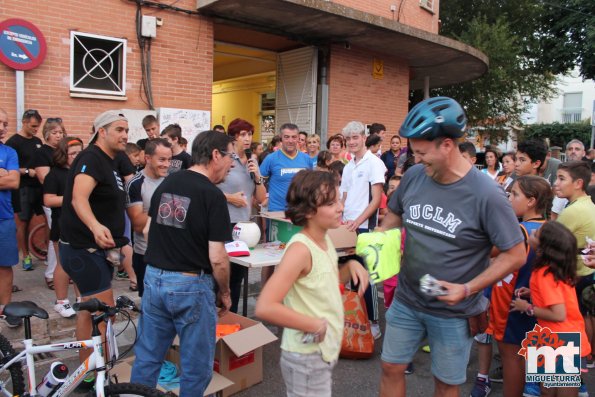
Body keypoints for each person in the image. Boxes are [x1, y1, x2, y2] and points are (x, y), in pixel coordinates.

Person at [378, 97, 526, 397]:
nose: (417, 160)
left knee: (446, 384)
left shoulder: (487, 194)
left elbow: (516, 254)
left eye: (421, 152)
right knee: (391, 367)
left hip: (453, 311)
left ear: (447, 145)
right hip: (407, 299)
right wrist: (376, 247)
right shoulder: (415, 176)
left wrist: (468, 288)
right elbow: (393, 215)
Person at [131, 131, 235, 397]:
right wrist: (224, 291)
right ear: (215, 155)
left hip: (155, 279)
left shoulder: (168, 183)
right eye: (230, 155)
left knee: (148, 357)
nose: (232, 163)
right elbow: (218, 258)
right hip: (191, 284)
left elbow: (147, 231)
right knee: (196, 366)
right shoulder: (212, 196)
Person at [255, 170, 368, 397]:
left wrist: (350, 267)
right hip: (306, 356)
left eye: (338, 199)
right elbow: (265, 306)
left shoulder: (324, 238)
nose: (340, 207)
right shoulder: (299, 250)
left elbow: (324, 280)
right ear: (307, 211)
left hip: (321, 352)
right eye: (330, 203)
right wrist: (313, 324)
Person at [59, 111, 129, 375]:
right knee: (104, 312)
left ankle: (88, 371)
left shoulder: (111, 160)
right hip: (83, 250)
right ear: (102, 131)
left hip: (91, 251)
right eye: (119, 129)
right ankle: (100, 372)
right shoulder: (91, 157)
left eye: (126, 130)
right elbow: (79, 198)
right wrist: (95, 225)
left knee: (88, 310)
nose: (125, 135)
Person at [486, 176, 551, 397]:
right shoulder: (552, 228)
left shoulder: (519, 231)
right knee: (536, 357)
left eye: (514, 194)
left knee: (512, 358)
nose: (509, 198)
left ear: (531, 201)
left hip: (512, 304)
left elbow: (485, 251)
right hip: (542, 303)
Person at [511, 221, 591, 397]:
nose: (531, 234)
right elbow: (557, 296)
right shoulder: (554, 269)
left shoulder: (544, 274)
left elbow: (559, 314)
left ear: (544, 248)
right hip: (555, 337)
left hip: (561, 340)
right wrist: (534, 293)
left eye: (536, 234)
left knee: (559, 391)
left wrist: (527, 307)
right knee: (547, 390)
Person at [340, 121, 386, 339]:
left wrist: (357, 221)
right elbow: (344, 197)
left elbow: (376, 200)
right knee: (347, 277)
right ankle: (353, 318)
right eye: (348, 139)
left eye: (355, 137)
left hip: (364, 227)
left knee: (366, 278)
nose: (351, 142)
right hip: (346, 228)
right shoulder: (349, 166)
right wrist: (338, 219)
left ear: (364, 137)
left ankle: (373, 323)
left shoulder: (374, 163)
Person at [217, 118, 267, 313]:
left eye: (249, 134)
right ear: (234, 137)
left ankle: (233, 318)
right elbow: (208, 189)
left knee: (238, 276)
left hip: (243, 227)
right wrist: (230, 198)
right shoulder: (225, 160)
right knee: (222, 276)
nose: (247, 139)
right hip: (224, 223)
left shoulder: (253, 161)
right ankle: (217, 319)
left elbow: (261, 198)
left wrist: (257, 176)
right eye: (242, 135)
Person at [554, 161, 595, 369]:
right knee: (580, 319)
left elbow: (549, 242)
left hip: (573, 274)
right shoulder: (587, 204)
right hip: (584, 272)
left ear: (578, 183)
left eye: (561, 179)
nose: (556, 183)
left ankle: (569, 375)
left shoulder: (574, 211)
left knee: (565, 326)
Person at [125, 138, 172, 297]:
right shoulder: (136, 183)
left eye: (169, 160)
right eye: (162, 159)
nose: (166, 164)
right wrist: (168, 208)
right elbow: (138, 224)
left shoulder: (172, 180)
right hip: (146, 255)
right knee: (150, 306)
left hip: (171, 253)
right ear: (147, 158)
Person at [43, 137, 83, 318]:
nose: (77, 156)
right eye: (72, 153)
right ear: (63, 155)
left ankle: (81, 298)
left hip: (79, 225)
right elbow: (48, 200)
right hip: (61, 224)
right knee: (64, 264)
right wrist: (73, 199)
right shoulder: (55, 174)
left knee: (80, 263)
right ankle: (61, 302)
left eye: (79, 152)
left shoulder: (82, 173)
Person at [6, 109, 44, 271]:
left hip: (39, 187)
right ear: (24, 122)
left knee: (46, 218)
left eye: (38, 127)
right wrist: (28, 171)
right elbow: (9, 169)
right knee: (23, 222)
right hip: (22, 189)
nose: (36, 130)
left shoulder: (37, 141)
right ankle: (26, 256)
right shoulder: (13, 143)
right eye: (34, 126)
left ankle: (46, 253)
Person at [32, 118, 65, 288]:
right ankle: (51, 273)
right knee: (56, 236)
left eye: (60, 132)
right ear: (46, 134)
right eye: (54, 133)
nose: (58, 136)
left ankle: (63, 271)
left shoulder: (63, 151)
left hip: (65, 199)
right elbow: (44, 177)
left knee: (63, 236)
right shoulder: (42, 153)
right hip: (51, 199)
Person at [259, 123, 312, 212]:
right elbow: (259, 182)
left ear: (298, 138)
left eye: (294, 137)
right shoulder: (271, 158)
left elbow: (311, 184)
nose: (290, 141)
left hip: (300, 211)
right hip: (277, 211)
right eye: (286, 137)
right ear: (281, 138)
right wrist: (266, 197)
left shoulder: (307, 159)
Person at [0, 108, 21, 328]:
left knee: (4, 265)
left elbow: (13, 182)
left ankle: (5, 309)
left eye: (5, 124)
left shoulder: (9, 153)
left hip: (3, 217)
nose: (2, 128)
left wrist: (8, 175)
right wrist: (2, 173)